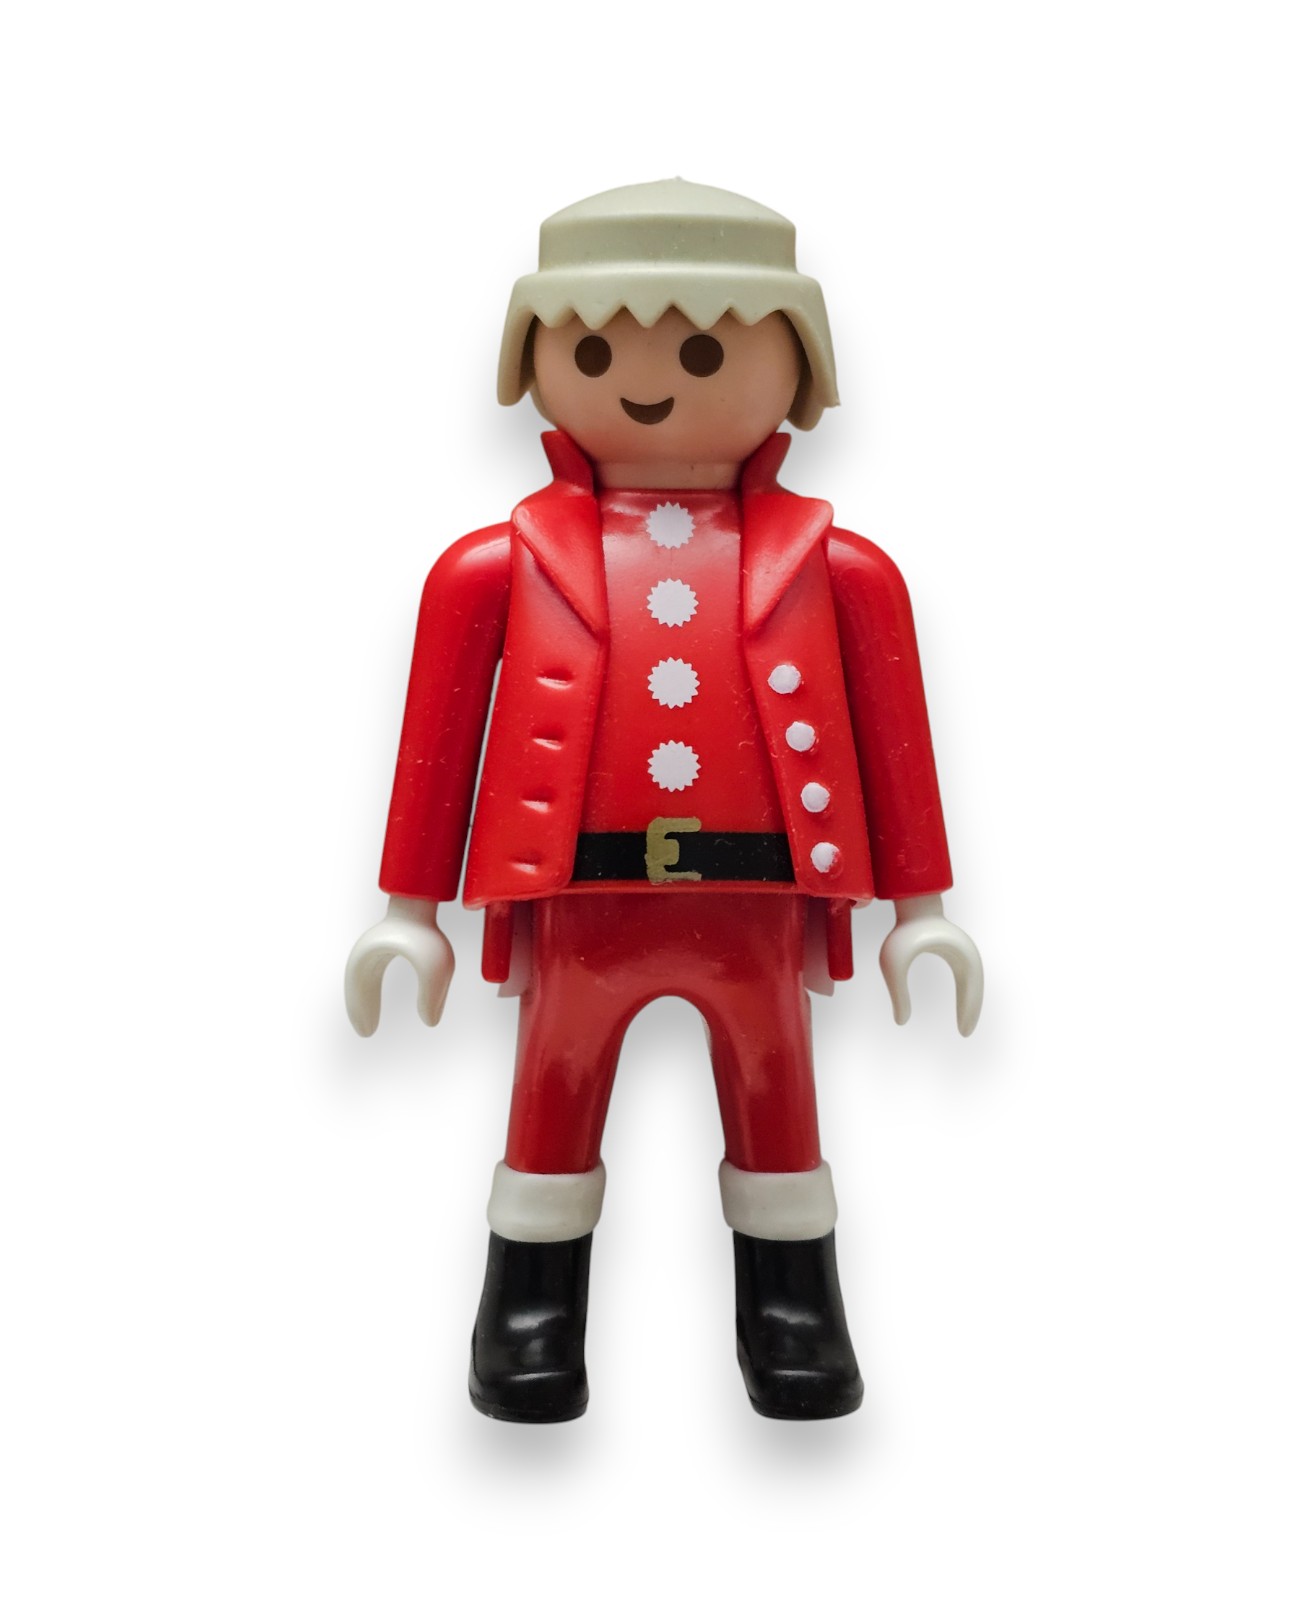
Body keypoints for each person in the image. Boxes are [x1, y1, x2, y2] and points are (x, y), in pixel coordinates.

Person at [344, 178, 983, 1423]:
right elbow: (436, 736)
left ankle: (792, 1310)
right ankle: (528, 1313)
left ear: (796, 368)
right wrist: (405, 910)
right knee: (553, 1086)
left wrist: (924, 909)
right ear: (535, 362)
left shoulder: (843, 569)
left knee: (777, 1089)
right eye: (593, 351)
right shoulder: (493, 566)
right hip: (577, 894)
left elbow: (897, 738)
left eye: (704, 353)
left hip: (758, 896)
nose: (649, 382)